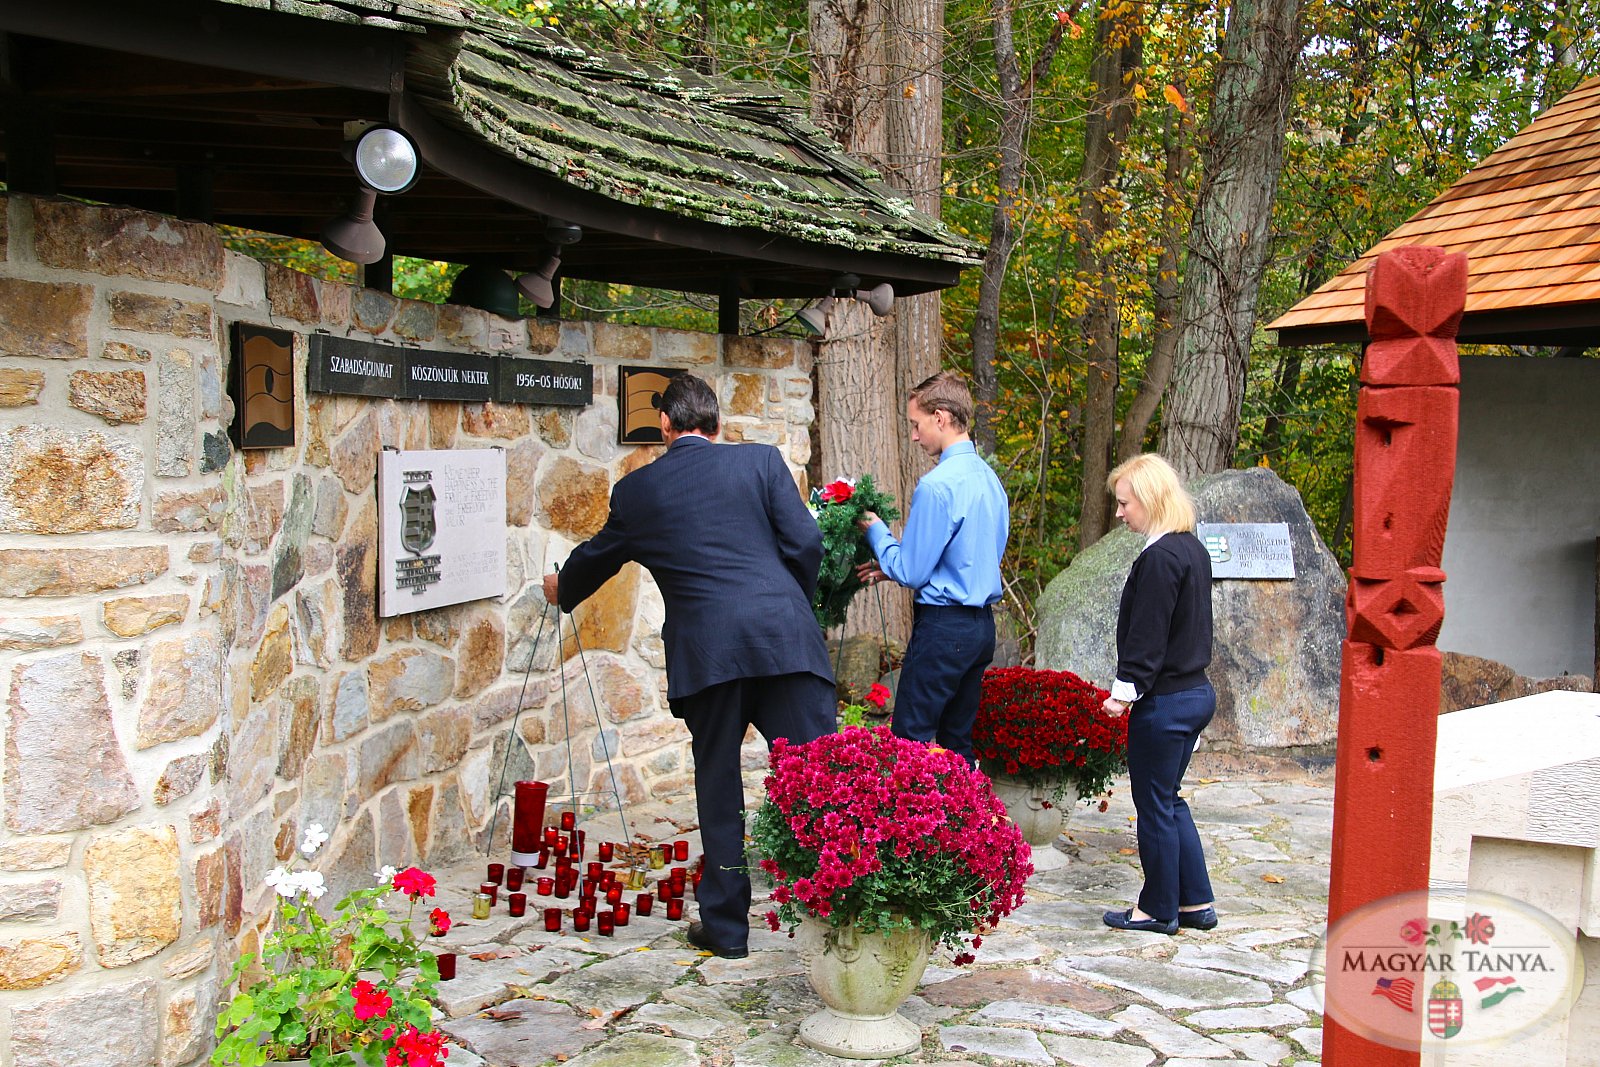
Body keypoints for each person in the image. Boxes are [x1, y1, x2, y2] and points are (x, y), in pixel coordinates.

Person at [542, 373, 836, 960]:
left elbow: (595, 559)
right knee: (818, 781)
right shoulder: (761, 463)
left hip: (709, 656)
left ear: (666, 429)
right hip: (786, 643)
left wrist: (560, 588)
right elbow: (806, 541)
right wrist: (788, 604)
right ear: (717, 424)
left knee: (719, 786)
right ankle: (842, 909)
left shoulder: (638, 491)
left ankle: (727, 930)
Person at [855, 371, 1009, 762]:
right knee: (957, 742)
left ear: (940, 417)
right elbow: (970, 557)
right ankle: (967, 823)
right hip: (980, 629)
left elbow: (913, 572)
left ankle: (918, 825)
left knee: (910, 739)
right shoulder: (991, 481)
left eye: (916, 424)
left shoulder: (938, 485)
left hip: (944, 629)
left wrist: (876, 532)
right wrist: (892, 565)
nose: (914, 435)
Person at [1099, 453, 1218, 935]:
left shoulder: (1159, 558)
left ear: (1150, 499)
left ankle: (1157, 908)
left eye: (1125, 503)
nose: (1120, 513)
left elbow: (1149, 636)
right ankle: (1195, 903)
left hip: (1165, 702)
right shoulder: (1192, 549)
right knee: (1169, 800)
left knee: (1152, 804)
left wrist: (1122, 694)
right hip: (1195, 694)